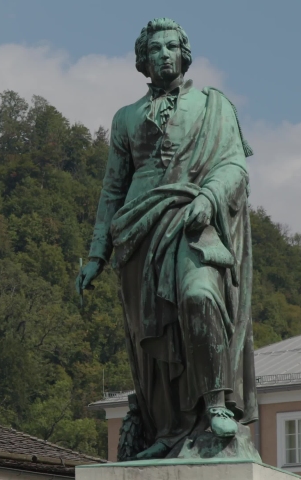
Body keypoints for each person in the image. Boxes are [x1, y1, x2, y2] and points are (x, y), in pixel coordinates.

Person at [75, 17, 258, 460]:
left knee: (199, 296)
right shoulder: (125, 118)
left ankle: (216, 401)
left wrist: (210, 197)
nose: (162, 55)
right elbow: (112, 189)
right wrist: (97, 253)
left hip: (196, 220)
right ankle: (170, 427)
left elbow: (235, 166)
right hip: (139, 232)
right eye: (154, 49)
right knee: (152, 339)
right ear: (142, 61)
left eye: (170, 47)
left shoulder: (214, 106)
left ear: (184, 54)